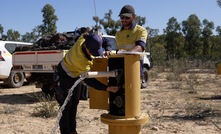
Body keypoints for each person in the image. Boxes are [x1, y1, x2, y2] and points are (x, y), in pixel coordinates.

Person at [54, 33, 119, 134]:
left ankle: (72, 130)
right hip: (64, 75)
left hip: (76, 75)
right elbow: (89, 80)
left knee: (74, 103)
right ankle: (65, 132)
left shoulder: (84, 38)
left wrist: (108, 49)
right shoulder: (80, 60)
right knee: (65, 106)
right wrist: (106, 88)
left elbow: (104, 40)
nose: (93, 54)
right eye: (92, 52)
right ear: (85, 46)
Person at [115, 5, 148, 88]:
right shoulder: (118, 34)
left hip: (134, 65)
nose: (124, 20)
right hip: (120, 66)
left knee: (132, 94)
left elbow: (140, 46)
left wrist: (129, 53)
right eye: (122, 17)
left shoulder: (140, 31)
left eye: (127, 17)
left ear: (134, 17)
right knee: (118, 94)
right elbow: (118, 50)